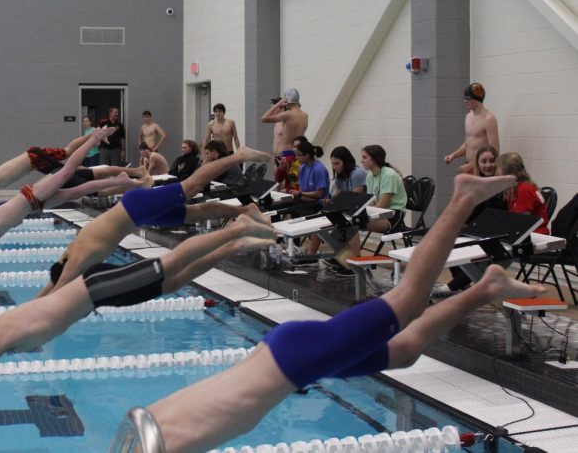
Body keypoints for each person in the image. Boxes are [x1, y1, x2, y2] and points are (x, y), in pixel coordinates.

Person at [142, 174, 540, 453]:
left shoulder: (151, 441)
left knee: (410, 298)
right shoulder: (142, 433)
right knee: (405, 351)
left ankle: (462, 199)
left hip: (292, 360)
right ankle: (487, 286)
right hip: (285, 357)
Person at [0, 210, 280, 423]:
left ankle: (237, 227)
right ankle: (235, 243)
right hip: (98, 293)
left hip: (97, 290)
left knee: (172, 263)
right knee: (174, 281)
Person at [0, 127, 138, 298]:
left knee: (66, 171)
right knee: (76, 191)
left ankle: (95, 138)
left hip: (32, 196)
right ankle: (120, 180)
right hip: (34, 205)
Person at [36, 145, 273, 297]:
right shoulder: (67, 256)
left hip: (135, 208)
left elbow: (56, 294)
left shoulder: (76, 260)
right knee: (194, 213)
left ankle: (239, 155)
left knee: (190, 187)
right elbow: (50, 287)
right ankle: (245, 209)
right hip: (137, 214)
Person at [0, 133, 151, 226]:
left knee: (74, 166)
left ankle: (94, 138)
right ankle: (134, 172)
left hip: (36, 159)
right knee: (81, 168)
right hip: (35, 158)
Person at [444, 145, 508, 293]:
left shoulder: (502, 185)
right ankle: (462, 285)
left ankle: (452, 287)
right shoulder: (474, 185)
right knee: (450, 239)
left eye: (492, 161)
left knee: (475, 250)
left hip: (494, 235)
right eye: (484, 161)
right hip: (475, 231)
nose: (488, 165)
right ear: (477, 164)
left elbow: (498, 216)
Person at [305, 145, 368, 257]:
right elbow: (336, 197)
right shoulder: (340, 177)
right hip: (346, 209)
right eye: (333, 164)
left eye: (337, 163)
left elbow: (356, 198)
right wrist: (329, 201)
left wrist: (335, 203)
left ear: (346, 162)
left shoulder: (357, 174)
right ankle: (311, 255)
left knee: (346, 223)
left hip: (359, 210)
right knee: (319, 217)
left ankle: (353, 259)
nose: (334, 167)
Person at [345, 145, 407, 257]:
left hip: (392, 215)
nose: (361, 160)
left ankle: (354, 262)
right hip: (379, 212)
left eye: (364, 157)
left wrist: (362, 214)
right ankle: (343, 259)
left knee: (351, 224)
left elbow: (383, 205)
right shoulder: (370, 176)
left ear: (374, 159)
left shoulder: (389, 175)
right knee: (343, 221)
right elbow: (372, 202)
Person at [444, 83, 499, 174]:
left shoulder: (489, 119)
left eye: (468, 99)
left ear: (477, 99)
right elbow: (468, 143)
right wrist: (453, 155)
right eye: (464, 98)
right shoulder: (468, 116)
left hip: (483, 169)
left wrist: (470, 166)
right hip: (469, 165)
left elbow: (494, 151)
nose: (465, 101)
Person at [262, 88, 308, 187]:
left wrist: (279, 104)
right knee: (293, 186)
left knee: (282, 188)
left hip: (285, 157)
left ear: (286, 101)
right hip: (296, 155)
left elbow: (264, 118)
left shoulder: (288, 115)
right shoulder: (305, 115)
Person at [498, 152, 549, 235]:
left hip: (535, 233)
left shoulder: (523, 190)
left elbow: (524, 222)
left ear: (507, 172)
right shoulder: (516, 188)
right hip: (530, 231)